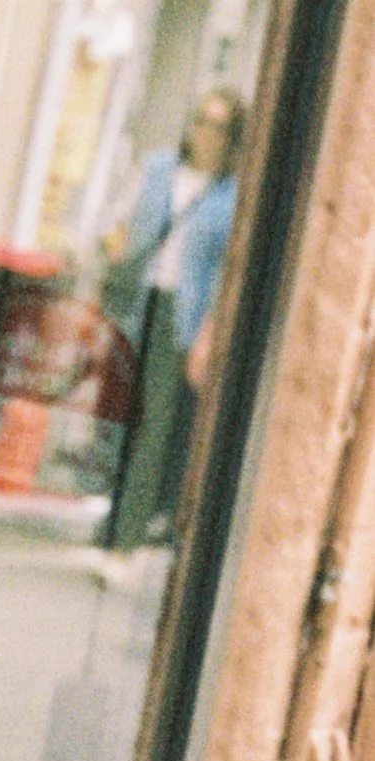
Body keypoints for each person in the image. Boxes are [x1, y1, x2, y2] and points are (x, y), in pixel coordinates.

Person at [101, 85, 245, 549]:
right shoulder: (160, 167)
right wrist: (116, 243)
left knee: (153, 429)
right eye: (201, 120)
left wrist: (206, 336)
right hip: (135, 301)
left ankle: (123, 539)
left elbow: (226, 275)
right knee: (123, 414)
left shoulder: (230, 196)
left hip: (179, 317)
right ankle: (119, 518)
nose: (205, 133)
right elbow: (118, 219)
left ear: (232, 138)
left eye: (218, 127)